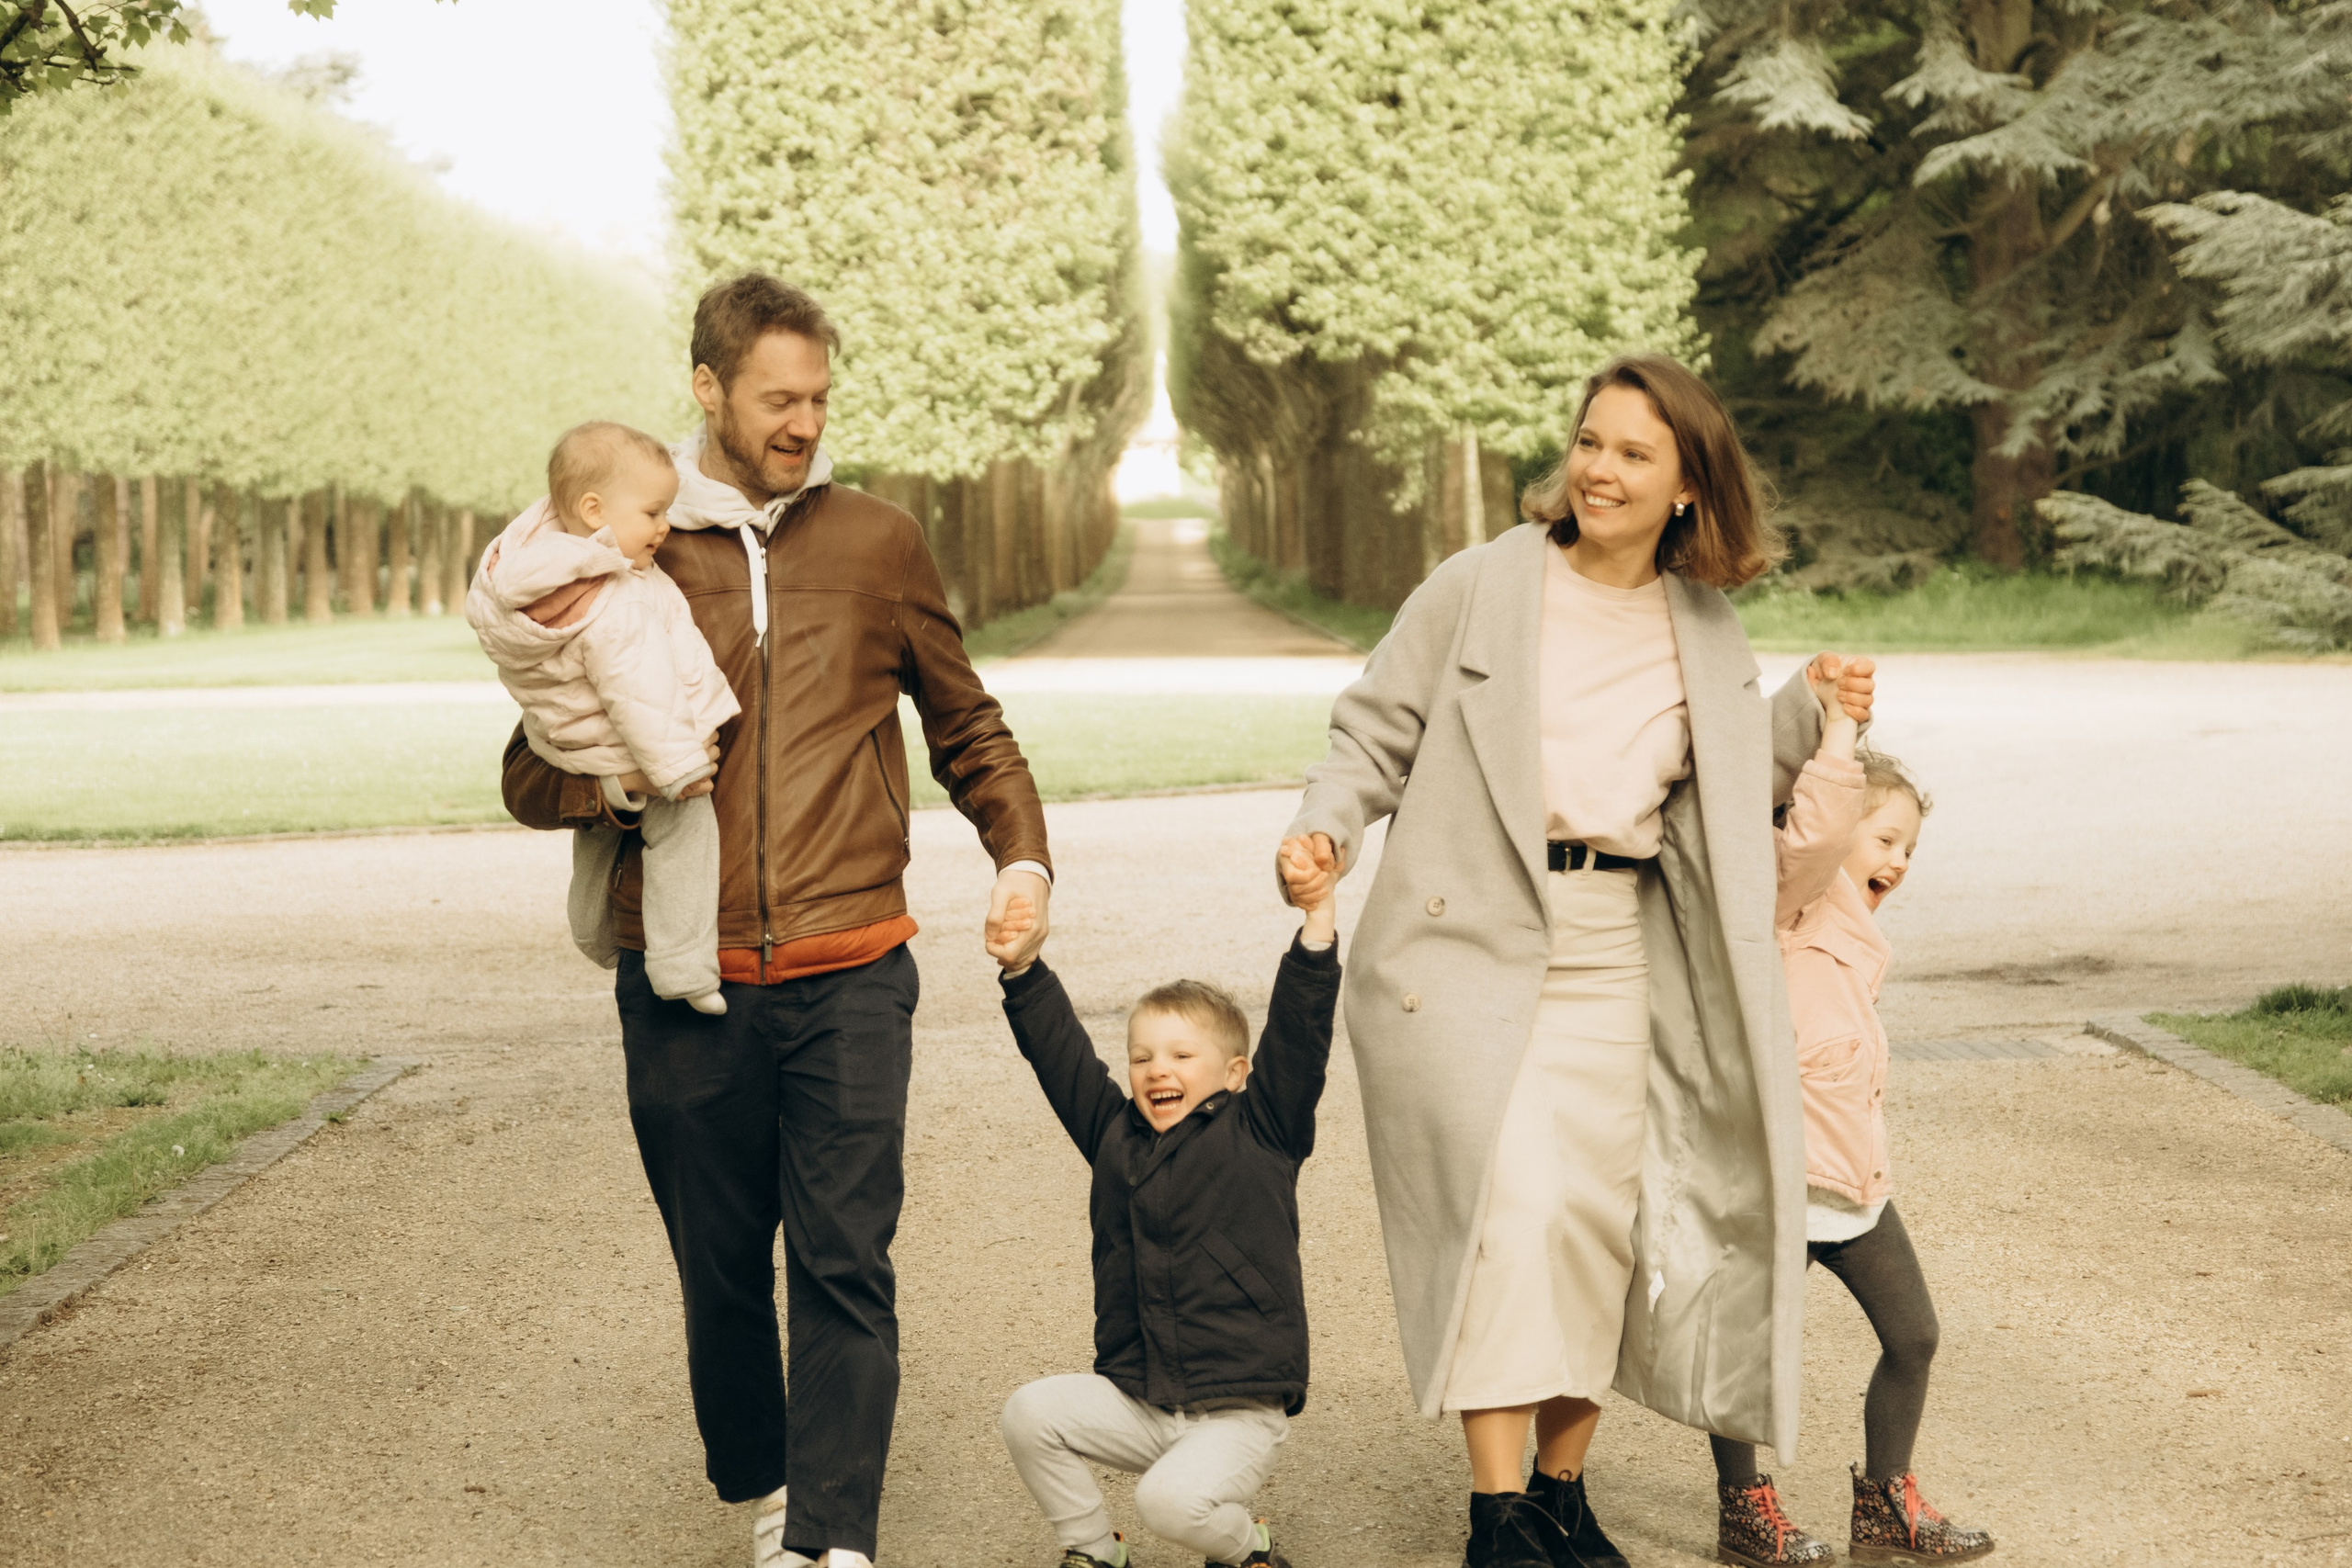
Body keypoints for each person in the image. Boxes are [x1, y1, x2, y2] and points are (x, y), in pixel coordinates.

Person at [1279, 354, 1876, 1568]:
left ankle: (1561, 1488)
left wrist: (1808, 714)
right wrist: (1327, 823)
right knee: (1509, 1211)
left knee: (1601, 1224)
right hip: (1466, 935)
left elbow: (1718, 803)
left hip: (1618, 947)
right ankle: (1495, 1511)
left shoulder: (1709, 633)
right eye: (1590, 441)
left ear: (1689, 490)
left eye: (1632, 453)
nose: (1598, 469)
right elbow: (1373, 726)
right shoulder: (1481, 584)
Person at [500, 274, 1056, 1568]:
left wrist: (1021, 854)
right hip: (681, 977)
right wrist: (622, 777)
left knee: (847, 1254)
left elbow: (965, 719)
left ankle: (834, 1529)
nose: (803, 421)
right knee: (718, 1262)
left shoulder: (878, 542)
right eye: (776, 398)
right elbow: (530, 771)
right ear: (707, 389)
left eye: (817, 397)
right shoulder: (625, 550)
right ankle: (768, 1475)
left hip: (854, 959)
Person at [984, 838, 1341, 1568]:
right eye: (1143, 1056)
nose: (1157, 1070)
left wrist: (1318, 923)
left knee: (1168, 1503)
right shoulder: (1114, 1133)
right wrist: (1021, 967)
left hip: (1238, 1407)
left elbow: (1301, 1032)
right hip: (1143, 1398)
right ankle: (1092, 1550)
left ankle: (1249, 1545)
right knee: (1029, 1414)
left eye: (1181, 1055)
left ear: (1235, 1071)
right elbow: (1062, 1056)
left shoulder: (1264, 1127)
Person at [1709, 701, 1994, 1567]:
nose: (1899, 861)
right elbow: (1814, 836)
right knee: (1747, 1356)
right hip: (1782, 1184)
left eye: (1911, 847)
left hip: (1856, 1185)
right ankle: (1743, 1509)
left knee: (1914, 1336)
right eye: (1885, 840)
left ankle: (1885, 1501)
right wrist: (1835, 737)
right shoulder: (1788, 906)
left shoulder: (1857, 936)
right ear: (1837, 836)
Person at [467, 421, 737, 1014]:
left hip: (562, 739)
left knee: (600, 835)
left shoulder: (534, 566)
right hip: (628, 745)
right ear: (593, 510)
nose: (665, 526)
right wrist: (679, 767)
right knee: (686, 829)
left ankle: (592, 930)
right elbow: (641, 692)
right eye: (652, 512)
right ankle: (684, 967)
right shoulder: (618, 600)